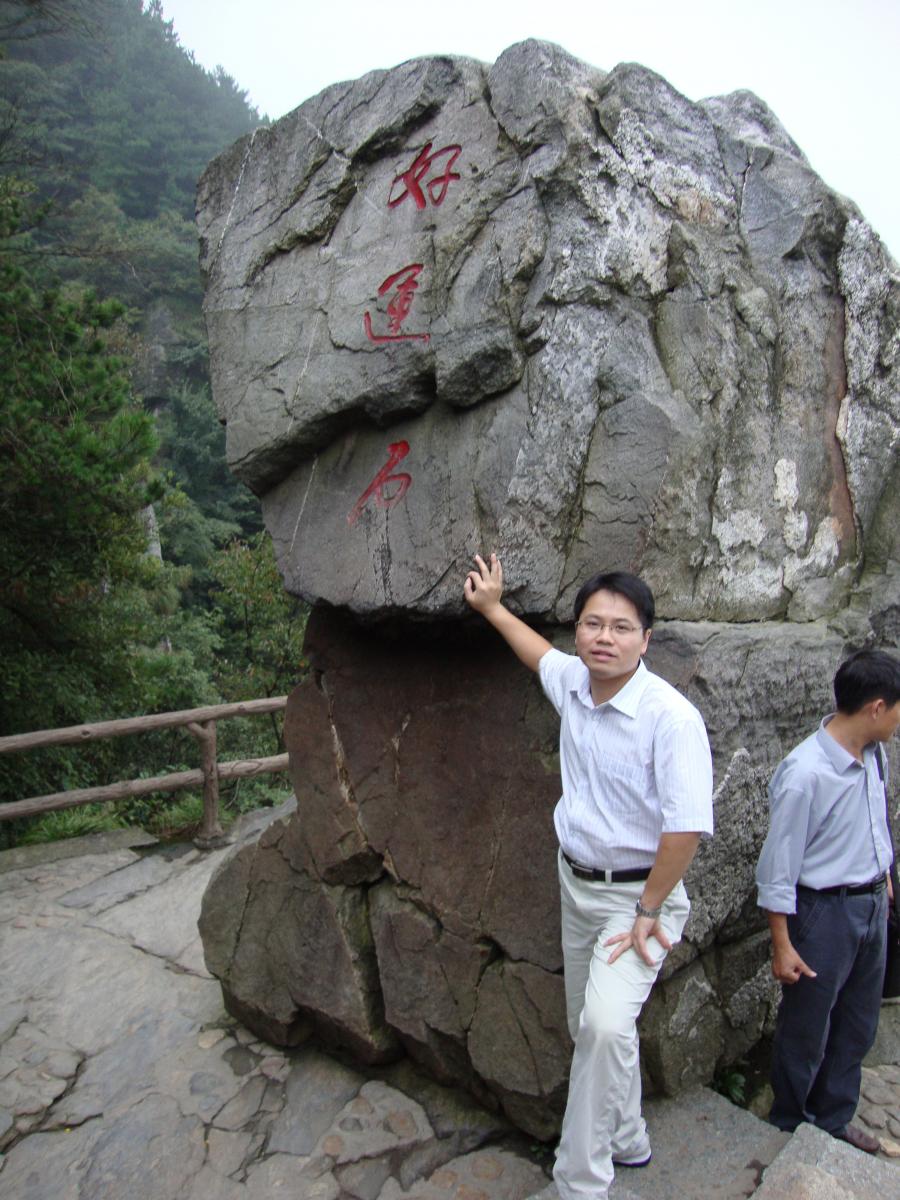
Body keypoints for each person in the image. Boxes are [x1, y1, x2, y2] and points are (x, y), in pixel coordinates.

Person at [464, 553, 713, 1200]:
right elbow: (537, 655)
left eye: (621, 627)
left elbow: (685, 829)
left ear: (645, 639)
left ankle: (580, 1180)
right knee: (591, 1026)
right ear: (578, 630)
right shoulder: (575, 683)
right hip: (577, 884)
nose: (605, 637)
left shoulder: (670, 718)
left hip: (639, 898)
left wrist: (650, 908)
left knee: (602, 1026)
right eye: (593, 624)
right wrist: (492, 608)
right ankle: (627, 1134)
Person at [756, 648, 900, 1154]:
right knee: (806, 1028)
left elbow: (876, 820)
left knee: (857, 1023)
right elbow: (778, 867)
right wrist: (782, 944)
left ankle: (834, 1122)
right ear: (877, 708)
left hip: (871, 904)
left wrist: (884, 880)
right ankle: (791, 1126)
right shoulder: (805, 773)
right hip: (824, 913)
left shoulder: (875, 754)